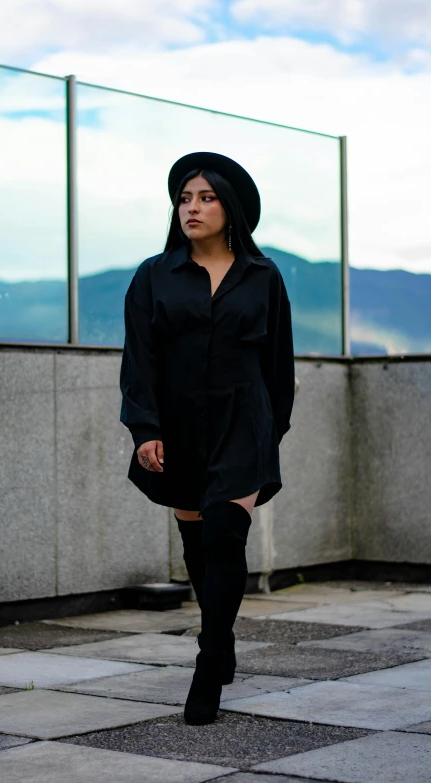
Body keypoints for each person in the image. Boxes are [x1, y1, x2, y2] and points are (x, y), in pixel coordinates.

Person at [119, 151, 295, 725]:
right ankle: (222, 630)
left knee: (225, 532)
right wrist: (144, 428)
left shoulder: (263, 276)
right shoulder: (153, 274)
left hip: (244, 418)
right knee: (197, 540)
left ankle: (209, 655)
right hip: (178, 422)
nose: (191, 207)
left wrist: (272, 429)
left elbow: (278, 363)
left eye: (205, 197)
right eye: (185, 198)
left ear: (230, 207)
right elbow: (139, 358)